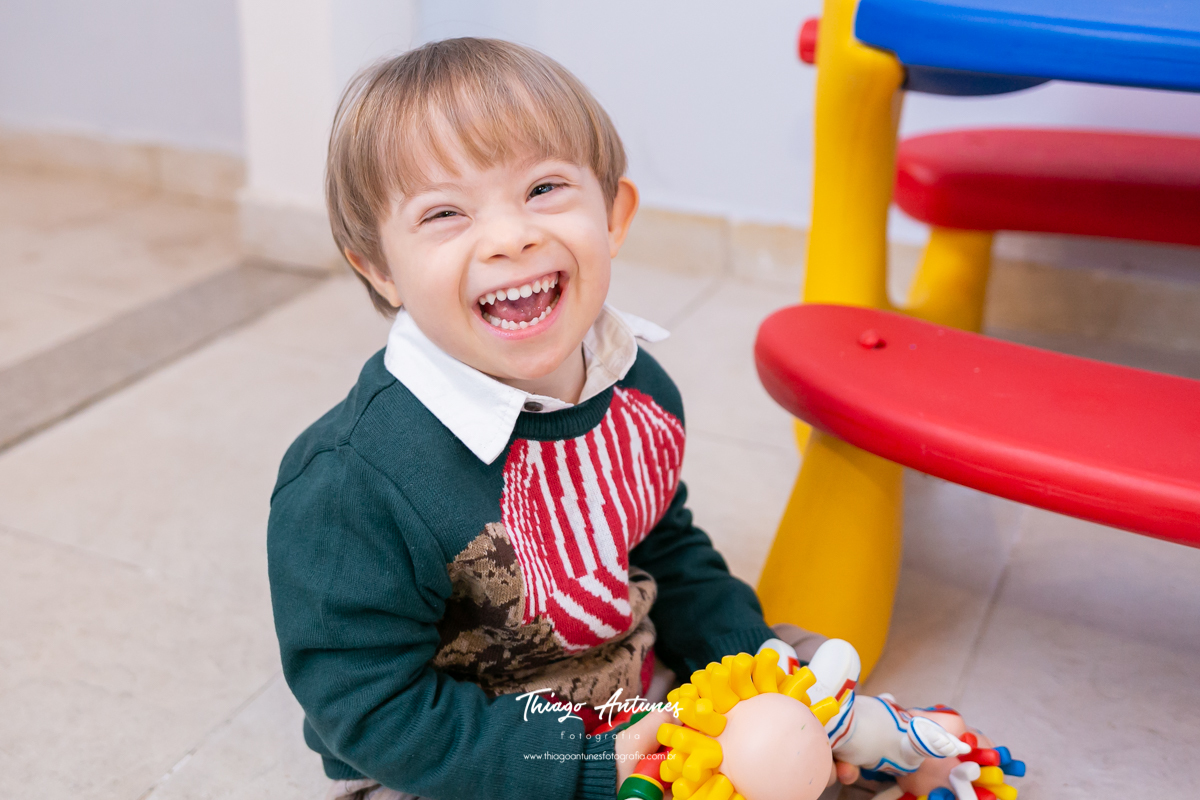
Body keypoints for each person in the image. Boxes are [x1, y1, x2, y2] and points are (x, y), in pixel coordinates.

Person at [267, 37, 971, 800]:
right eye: (444, 212)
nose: (511, 237)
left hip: (634, 694)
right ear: (377, 266)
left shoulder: (638, 392)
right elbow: (373, 714)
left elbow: (666, 549)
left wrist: (758, 671)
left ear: (615, 216)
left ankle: (851, 741)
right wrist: (597, 764)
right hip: (481, 757)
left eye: (543, 190)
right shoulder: (350, 484)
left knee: (811, 679)